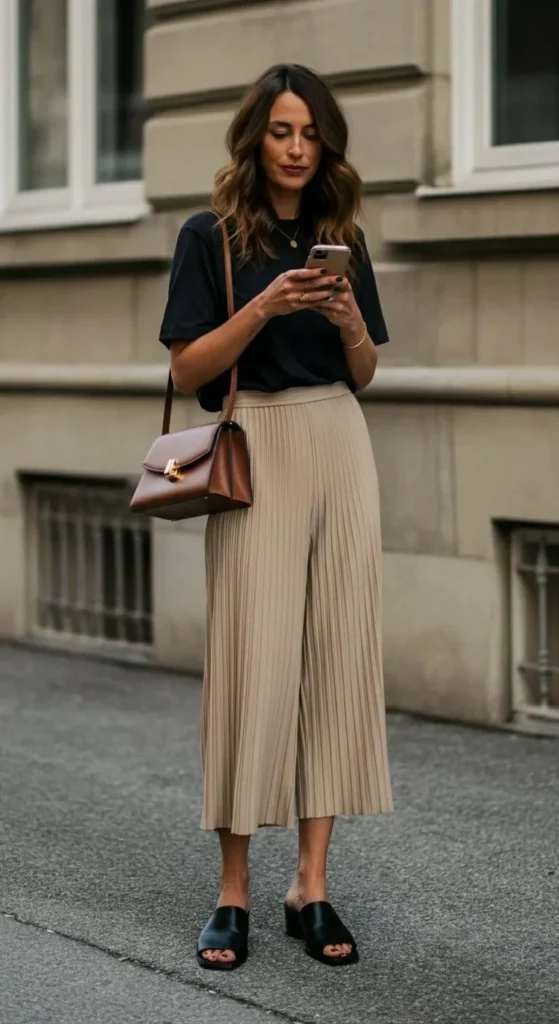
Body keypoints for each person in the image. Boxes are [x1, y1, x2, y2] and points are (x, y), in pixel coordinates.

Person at [159, 63, 393, 970]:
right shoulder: (207, 236)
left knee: (335, 656)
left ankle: (312, 884)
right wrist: (264, 303)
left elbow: (365, 372)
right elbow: (187, 372)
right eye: (281, 132)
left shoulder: (342, 237)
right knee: (254, 665)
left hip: (340, 438)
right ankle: (231, 893)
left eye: (311, 135)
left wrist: (342, 317)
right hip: (252, 441)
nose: (297, 150)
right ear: (253, 136)